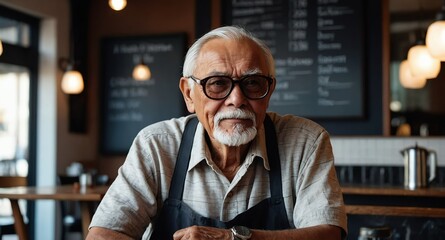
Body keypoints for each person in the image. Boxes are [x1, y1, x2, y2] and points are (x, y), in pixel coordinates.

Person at [87, 25, 347, 240]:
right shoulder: (156, 145)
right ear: (189, 94)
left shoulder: (306, 141)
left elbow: (328, 234)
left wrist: (233, 238)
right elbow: (102, 235)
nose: (236, 99)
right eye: (217, 84)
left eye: (253, 83)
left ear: (269, 92)